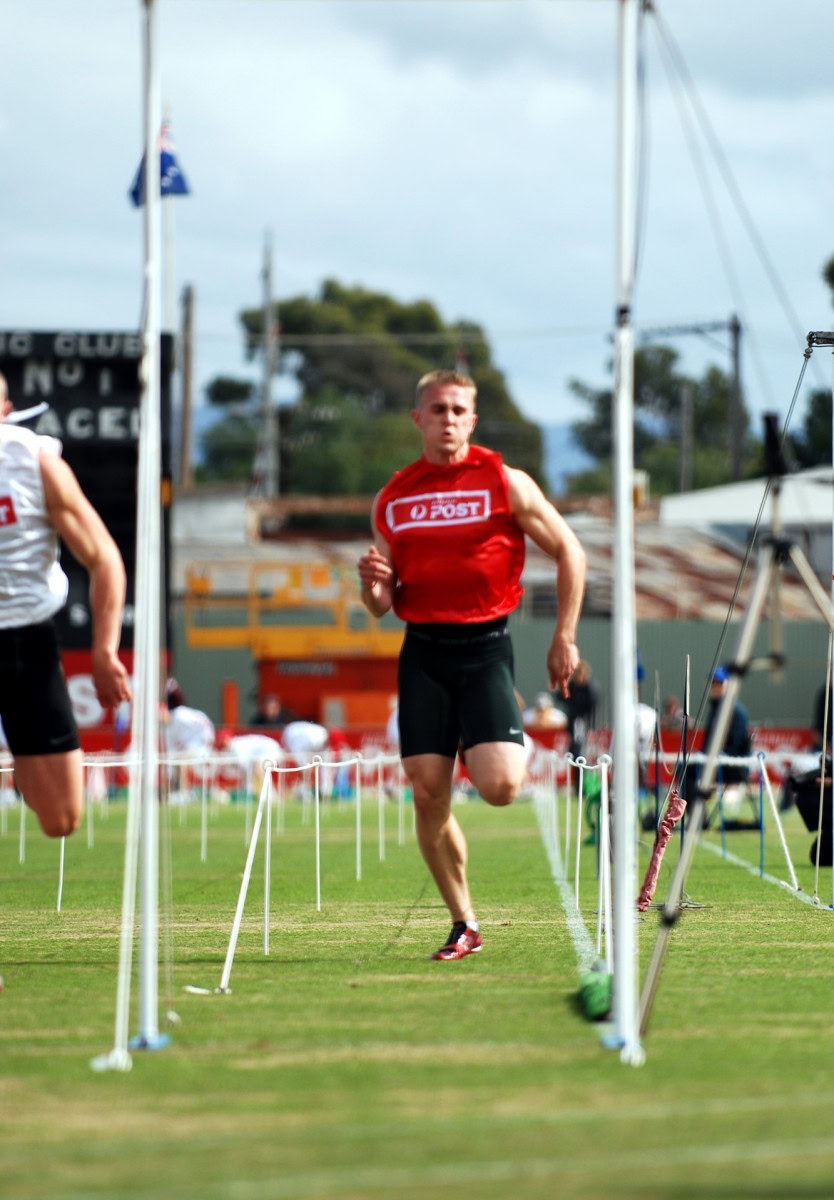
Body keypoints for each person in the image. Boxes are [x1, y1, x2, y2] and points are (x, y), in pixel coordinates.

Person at [357, 369, 586, 961]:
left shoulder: (503, 481)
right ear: (419, 419)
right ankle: (464, 923)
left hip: (486, 647)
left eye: (459, 409)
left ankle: (475, 738)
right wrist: (372, 588)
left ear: (473, 419)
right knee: (428, 794)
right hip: (424, 651)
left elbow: (569, 550)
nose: (448, 419)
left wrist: (565, 635)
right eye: (437, 409)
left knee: (501, 787)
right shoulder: (394, 496)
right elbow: (380, 606)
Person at [0, 371, 131, 837]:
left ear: (5, 413)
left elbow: (104, 558)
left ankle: (21, 759)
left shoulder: (33, 462)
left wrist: (103, 650)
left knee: (62, 818)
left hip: (24, 640)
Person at [564, 659, 599, 761]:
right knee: (574, 748)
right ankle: (576, 770)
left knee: (582, 750)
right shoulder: (572, 687)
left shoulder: (590, 689)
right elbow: (563, 697)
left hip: (584, 722)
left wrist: (592, 728)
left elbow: (593, 709)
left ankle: (582, 771)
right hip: (574, 722)